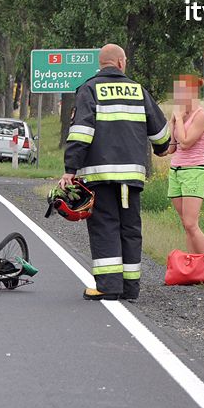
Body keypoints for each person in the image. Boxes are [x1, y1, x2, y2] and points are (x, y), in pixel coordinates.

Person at [59, 43, 170, 301]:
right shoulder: (138, 91)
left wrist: (69, 170)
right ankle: (130, 288)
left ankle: (108, 286)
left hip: (100, 177)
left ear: (102, 64)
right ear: (121, 63)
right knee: (130, 228)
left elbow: (80, 133)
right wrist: (162, 148)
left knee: (105, 226)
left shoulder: (89, 89)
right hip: (131, 178)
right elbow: (161, 133)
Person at [166, 74, 204, 253]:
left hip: (194, 170)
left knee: (192, 224)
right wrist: (173, 122)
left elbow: (185, 143)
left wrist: (178, 119)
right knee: (186, 224)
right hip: (176, 170)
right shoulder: (180, 115)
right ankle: (194, 265)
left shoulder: (202, 116)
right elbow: (171, 149)